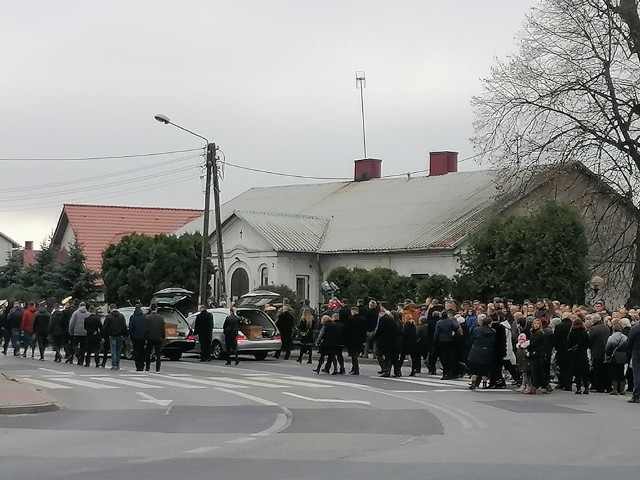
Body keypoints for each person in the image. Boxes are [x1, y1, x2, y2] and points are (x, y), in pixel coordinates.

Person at [467, 315, 496, 389]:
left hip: (475, 351)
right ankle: (484, 383)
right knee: (485, 369)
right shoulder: (493, 331)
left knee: (474, 369)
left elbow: (471, 340)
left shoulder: (476, 329)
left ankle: (473, 382)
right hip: (487, 351)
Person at [589, 313, 612, 393]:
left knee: (598, 370)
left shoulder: (594, 329)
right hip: (606, 351)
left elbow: (590, 340)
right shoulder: (606, 328)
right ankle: (608, 386)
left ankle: (599, 387)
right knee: (606, 370)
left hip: (597, 352)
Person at [605, 318, 628, 395]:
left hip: (614, 356)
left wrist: (608, 355)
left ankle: (614, 389)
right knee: (621, 373)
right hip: (623, 357)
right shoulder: (625, 337)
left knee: (614, 373)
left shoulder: (611, 337)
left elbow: (608, 348)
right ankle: (622, 390)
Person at [567, 317, 590, 394]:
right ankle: (586, 388)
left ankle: (578, 388)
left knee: (577, 373)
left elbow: (569, 343)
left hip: (574, 354)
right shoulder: (585, 332)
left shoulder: (572, 333)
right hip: (583, 353)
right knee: (585, 372)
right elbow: (588, 343)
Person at [103, 304, 127, 370]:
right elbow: (124, 326)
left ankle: (114, 365)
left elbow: (105, 327)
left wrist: (104, 336)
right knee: (119, 350)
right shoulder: (121, 316)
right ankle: (117, 364)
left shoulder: (109, 317)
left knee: (113, 350)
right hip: (120, 335)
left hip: (111, 335)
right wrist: (125, 335)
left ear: (110, 308)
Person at [345, 306, 367, 375]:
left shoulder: (351, 319)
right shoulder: (363, 319)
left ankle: (355, 369)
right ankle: (353, 368)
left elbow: (347, 329)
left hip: (352, 339)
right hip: (360, 339)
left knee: (353, 355)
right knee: (356, 354)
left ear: (353, 311)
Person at [144, 303, 165, 373]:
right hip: (158, 337)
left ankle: (147, 367)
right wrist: (163, 337)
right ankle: (158, 368)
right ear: (156, 308)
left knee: (148, 352)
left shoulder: (147, 318)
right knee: (158, 354)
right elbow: (163, 329)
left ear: (150, 308)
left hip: (149, 338)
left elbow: (145, 329)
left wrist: (145, 337)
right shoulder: (161, 318)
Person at [128, 303, 147, 372]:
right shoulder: (144, 317)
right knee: (142, 350)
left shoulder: (132, 317)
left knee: (136, 351)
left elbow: (131, 328)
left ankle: (138, 365)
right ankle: (142, 365)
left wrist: (131, 336)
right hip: (143, 337)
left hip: (135, 337)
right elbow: (146, 327)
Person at [627, 316, 640, 403]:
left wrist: (630, 352)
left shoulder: (635, 329)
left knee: (637, 374)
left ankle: (636, 395)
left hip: (637, 351)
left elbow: (629, 342)